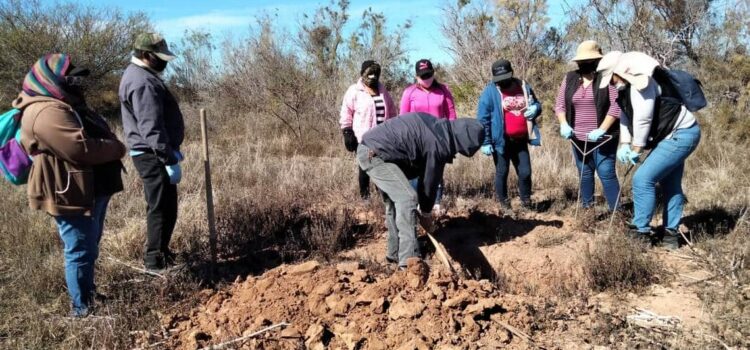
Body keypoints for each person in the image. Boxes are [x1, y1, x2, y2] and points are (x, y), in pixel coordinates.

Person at [13, 54, 126, 317]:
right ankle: (82, 309)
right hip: (68, 191)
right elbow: (79, 149)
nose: (77, 83)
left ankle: (89, 294)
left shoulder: (64, 103)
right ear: (50, 79)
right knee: (79, 249)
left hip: (86, 189)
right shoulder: (45, 110)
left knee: (89, 245)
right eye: (71, 78)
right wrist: (117, 147)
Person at [597, 51, 701, 249]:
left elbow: (643, 118)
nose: (610, 83)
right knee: (669, 182)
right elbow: (626, 117)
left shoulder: (641, 85)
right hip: (673, 136)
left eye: (610, 78)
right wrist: (625, 144)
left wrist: (637, 148)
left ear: (618, 72)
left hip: (681, 134)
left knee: (642, 179)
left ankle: (640, 231)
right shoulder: (624, 89)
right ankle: (671, 235)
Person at [356, 113, 484, 268]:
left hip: (375, 149)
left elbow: (428, 179)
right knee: (407, 198)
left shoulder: (440, 130)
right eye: (459, 150)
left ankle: (394, 257)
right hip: (375, 154)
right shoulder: (438, 144)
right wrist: (426, 213)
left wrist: (425, 211)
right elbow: (429, 181)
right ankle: (409, 264)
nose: (457, 153)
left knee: (395, 203)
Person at [119, 33, 185, 271]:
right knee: (160, 208)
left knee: (167, 206)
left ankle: (163, 254)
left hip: (155, 152)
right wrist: (168, 157)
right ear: (146, 55)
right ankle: (155, 263)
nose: (165, 62)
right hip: (152, 155)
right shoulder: (142, 82)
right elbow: (151, 127)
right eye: (160, 57)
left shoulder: (142, 75)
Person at [554, 40, 622, 210]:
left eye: (588, 61)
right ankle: (587, 210)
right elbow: (560, 105)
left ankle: (617, 212)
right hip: (577, 137)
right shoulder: (570, 78)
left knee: (606, 173)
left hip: (604, 138)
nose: (584, 64)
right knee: (584, 173)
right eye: (582, 61)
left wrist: (602, 129)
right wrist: (564, 124)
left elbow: (617, 105)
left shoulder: (606, 78)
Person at [477, 59, 543, 211]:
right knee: (502, 172)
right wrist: (485, 141)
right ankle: (504, 205)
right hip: (501, 141)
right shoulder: (490, 92)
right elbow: (483, 119)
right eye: (498, 80)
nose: (501, 82)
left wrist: (535, 108)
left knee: (525, 172)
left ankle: (526, 203)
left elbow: (537, 104)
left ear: (511, 73)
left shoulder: (523, 86)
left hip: (520, 140)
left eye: (504, 78)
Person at [400, 59, 457, 213]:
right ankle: (416, 203)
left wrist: (451, 138)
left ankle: (436, 202)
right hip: (415, 141)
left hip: (439, 139)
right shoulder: (409, 92)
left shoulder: (444, 90)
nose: (426, 79)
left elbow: (451, 115)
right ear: (416, 76)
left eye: (429, 75)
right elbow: (402, 119)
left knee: (436, 171)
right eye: (422, 76)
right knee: (416, 173)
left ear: (433, 73)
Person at [339, 60, 397, 200]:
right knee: (364, 168)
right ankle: (365, 198)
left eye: (375, 73)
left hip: (382, 138)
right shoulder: (354, 91)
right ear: (362, 74)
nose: (372, 76)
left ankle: (383, 197)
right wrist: (347, 131)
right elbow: (346, 111)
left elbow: (392, 112)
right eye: (369, 73)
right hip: (363, 138)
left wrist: (395, 131)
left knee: (382, 168)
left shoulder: (383, 91)